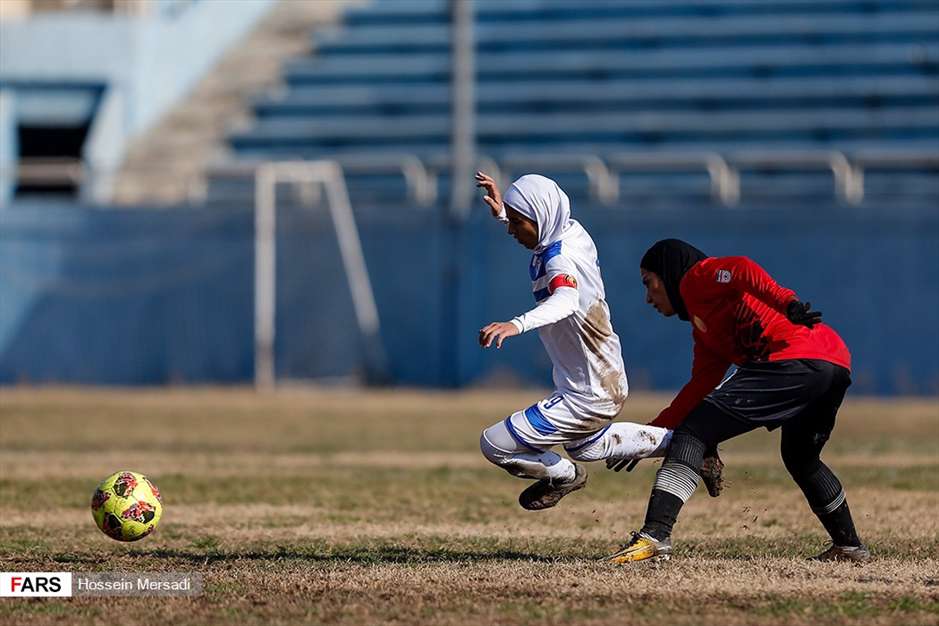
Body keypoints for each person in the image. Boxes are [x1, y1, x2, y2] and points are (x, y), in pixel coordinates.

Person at [608, 239, 868, 563]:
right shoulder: (704, 329)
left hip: (795, 357)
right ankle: (849, 547)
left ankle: (655, 535)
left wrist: (786, 302)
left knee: (693, 434)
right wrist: (649, 434)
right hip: (833, 362)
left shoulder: (695, 279)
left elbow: (742, 268)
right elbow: (699, 386)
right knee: (800, 457)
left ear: (668, 272)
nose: (648, 297)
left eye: (649, 283)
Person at [474, 172, 673, 510]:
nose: (512, 230)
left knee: (495, 444)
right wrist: (506, 213)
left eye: (518, 222)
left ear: (541, 218)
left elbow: (565, 299)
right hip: (603, 377)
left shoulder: (558, 260)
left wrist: (515, 324)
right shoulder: (571, 231)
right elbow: (544, 218)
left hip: (589, 391)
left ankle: (565, 476)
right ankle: (687, 444)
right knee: (588, 447)